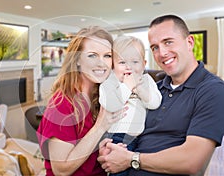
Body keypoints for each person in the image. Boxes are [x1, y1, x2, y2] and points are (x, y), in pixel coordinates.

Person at [98, 14, 224, 176]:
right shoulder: (153, 89)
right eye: (155, 47)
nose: (162, 53)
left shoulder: (212, 90)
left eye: (168, 42)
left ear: (190, 42)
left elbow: (192, 162)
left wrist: (131, 159)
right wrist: (110, 150)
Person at [37, 26, 127, 176]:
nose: (102, 63)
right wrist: (100, 126)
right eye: (92, 55)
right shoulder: (62, 104)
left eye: (107, 55)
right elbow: (61, 170)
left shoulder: (102, 96)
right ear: (77, 59)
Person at [99, 35, 162, 176]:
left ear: (144, 63)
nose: (129, 67)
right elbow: (111, 105)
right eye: (122, 62)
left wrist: (139, 89)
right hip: (117, 137)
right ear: (113, 65)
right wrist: (127, 87)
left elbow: (155, 103)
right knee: (118, 171)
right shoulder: (110, 81)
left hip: (142, 136)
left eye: (135, 61)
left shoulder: (146, 80)